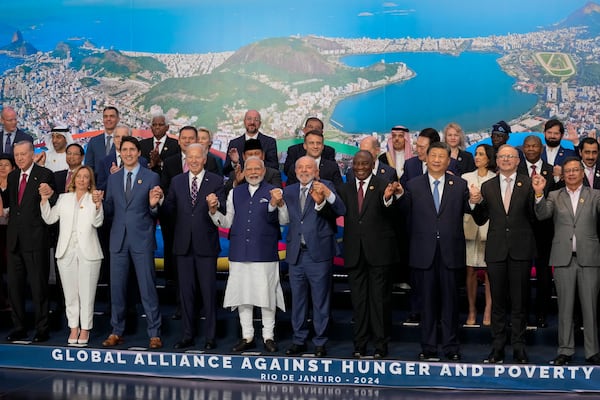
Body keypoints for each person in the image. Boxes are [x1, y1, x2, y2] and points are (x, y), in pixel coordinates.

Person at [400, 142, 473, 361]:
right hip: (424, 254)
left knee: (450, 304)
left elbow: (475, 213)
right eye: (433, 155)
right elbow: (402, 213)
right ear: (426, 158)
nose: (437, 160)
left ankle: (451, 347)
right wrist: (393, 196)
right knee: (427, 305)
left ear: (448, 160)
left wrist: (477, 201)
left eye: (442, 156)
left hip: (450, 253)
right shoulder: (413, 185)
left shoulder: (460, 185)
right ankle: (429, 347)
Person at [208, 156, 285, 353]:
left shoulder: (274, 191)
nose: (252, 172)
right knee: (243, 295)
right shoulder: (235, 192)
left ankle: (268, 336)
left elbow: (284, 220)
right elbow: (226, 222)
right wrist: (214, 211)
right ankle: (247, 335)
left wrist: (279, 203)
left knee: (267, 295)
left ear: (263, 171)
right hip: (239, 253)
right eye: (249, 169)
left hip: (265, 253)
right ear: (243, 172)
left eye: (256, 169)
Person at [472, 144, 536, 364]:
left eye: (511, 156)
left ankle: (519, 347)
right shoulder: (487, 186)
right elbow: (481, 219)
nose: (506, 159)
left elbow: (536, 217)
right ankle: (497, 347)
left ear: (518, 161)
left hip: (521, 250)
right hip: (496, 251)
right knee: (498, 303)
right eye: (502, 156)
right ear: (496, 160)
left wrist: (538, 195)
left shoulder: (528, 184)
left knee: (519, 303)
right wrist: (475, 203)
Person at [533, 157, 600, 365]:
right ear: (563, 175)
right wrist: (538, 193)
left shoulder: (596, 195)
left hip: (589, 259)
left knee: (590, 308)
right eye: (567, 171)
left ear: (582, 173)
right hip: (563, 259)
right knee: (565, 308)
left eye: (575, 170)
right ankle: (565, 351)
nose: (571, 174)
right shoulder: (554, 195)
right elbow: (542, 214)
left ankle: (592, 352)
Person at [101, 136, 164, 349]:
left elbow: (154, 209)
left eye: (132, 150)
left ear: (139, 153)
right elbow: (109, 209)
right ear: (120, 153)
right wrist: (98, 204)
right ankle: (116, 331)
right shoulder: (113, 179)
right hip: (117, 240)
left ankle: (154, 333)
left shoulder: (151, 177)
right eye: (124, 149)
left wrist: (154, 205)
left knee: (147, 288)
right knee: (117, 290)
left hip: (142, 239)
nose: (128, 153)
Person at [279, 156, 346, 357]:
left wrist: (327, 196)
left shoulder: (326, 185)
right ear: (295, 171)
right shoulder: (289, 190)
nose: (304, 170)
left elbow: (341, 210)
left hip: (319, 254)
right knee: (298, 300)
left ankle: (320, 342)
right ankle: (298, 340)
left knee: (320, 301)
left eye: (309, 167)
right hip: (296, 255)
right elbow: (283, 217)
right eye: (300, 167)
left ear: (316, 171)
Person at [337, 150, 400, 358]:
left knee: (379, 301)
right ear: (352, 166)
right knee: (359, 302)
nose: (361, 168)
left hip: (379, 253)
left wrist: (389, 199)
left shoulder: (384, 185)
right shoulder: (345, 189)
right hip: (355, 253)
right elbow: (332, 213)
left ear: (373, 165)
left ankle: (380, 345)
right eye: (357, 164)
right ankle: (360, 345)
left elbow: (394, 216)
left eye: (365, 164)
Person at [163, 144, 223, 350]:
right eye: (191, 157)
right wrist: (157, 202)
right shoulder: (177, 181)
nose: (194, 160)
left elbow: (221, 210)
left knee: (208, 293)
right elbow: (169, 209)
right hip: (182, 246)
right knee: (186, 294)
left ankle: (210, 336)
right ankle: (187, 335)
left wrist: (214, 206)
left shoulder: (216, 181)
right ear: (186, 159)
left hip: (206, 246)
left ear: (205, 159)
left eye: (198, 157)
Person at [39, 166, 104, 345]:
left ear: (90, 181)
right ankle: (73, 327)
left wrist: (98, 205)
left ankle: (85, 329)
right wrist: (44, 201)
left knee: (87, 293)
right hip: (66, 251)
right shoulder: (63, 198)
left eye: (86, 177)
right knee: (70, 294)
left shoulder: (94, 198)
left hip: (89, 253)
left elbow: (98, 222)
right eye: (79, 176)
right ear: (73, 179)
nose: (82, 180)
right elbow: (50, 219)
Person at [4, 141, 58, 342]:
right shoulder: (12, 176)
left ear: (32, 154)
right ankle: (19, 327)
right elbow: (12, 207)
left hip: (36, 241)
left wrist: (49, 194)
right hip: (14, 242)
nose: (19, 158)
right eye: (16, 155)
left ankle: (42, 328)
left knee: (39, 288)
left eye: (23, 154)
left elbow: (52, 203)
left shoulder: (45, 175)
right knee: (15, 288)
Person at [518, 135, 556, 328]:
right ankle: (521, 315)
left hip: (545, 231)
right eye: (528, 146)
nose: (531, 149)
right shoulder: (517, 170)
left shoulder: (551, 171)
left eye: (535, 146)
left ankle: (542, 313)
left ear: (541, 149)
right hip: (522, 230)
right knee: (521, 275)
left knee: (544, 276)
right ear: (523, 149)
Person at [461, 144, 496, 326]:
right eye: (476, 154)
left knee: (490, 272)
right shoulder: (465, 177)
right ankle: (472, 310)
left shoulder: (495, 178)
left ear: (489, 158)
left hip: (489, 229)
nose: (477, 157)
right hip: (469, 228)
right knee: (471, 270)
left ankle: (488, 310)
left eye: (481, 154)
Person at [223, 110, 278, 176]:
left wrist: (256, 162)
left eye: (256, 120)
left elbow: (274, 167)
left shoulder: (269, 142)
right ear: (244, 122)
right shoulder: (234, 143)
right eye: (249, 119)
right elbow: (226, 171)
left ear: (260, 123)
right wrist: (235, 163)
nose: (252, 122)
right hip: (240, 183)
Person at [0, 154, 15, 311]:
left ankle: (13, 301)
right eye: (0, 165)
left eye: (6, 165)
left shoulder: (15, 186)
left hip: (11, 231)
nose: (2, 168)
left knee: (12, 267)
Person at [84, 106, 119, 172]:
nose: (108, 119)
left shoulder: (125, 141)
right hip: (98, 181)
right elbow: (88, 167)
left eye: (112, 116)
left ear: (118, 119)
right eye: (105, 116)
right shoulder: (94, 141)